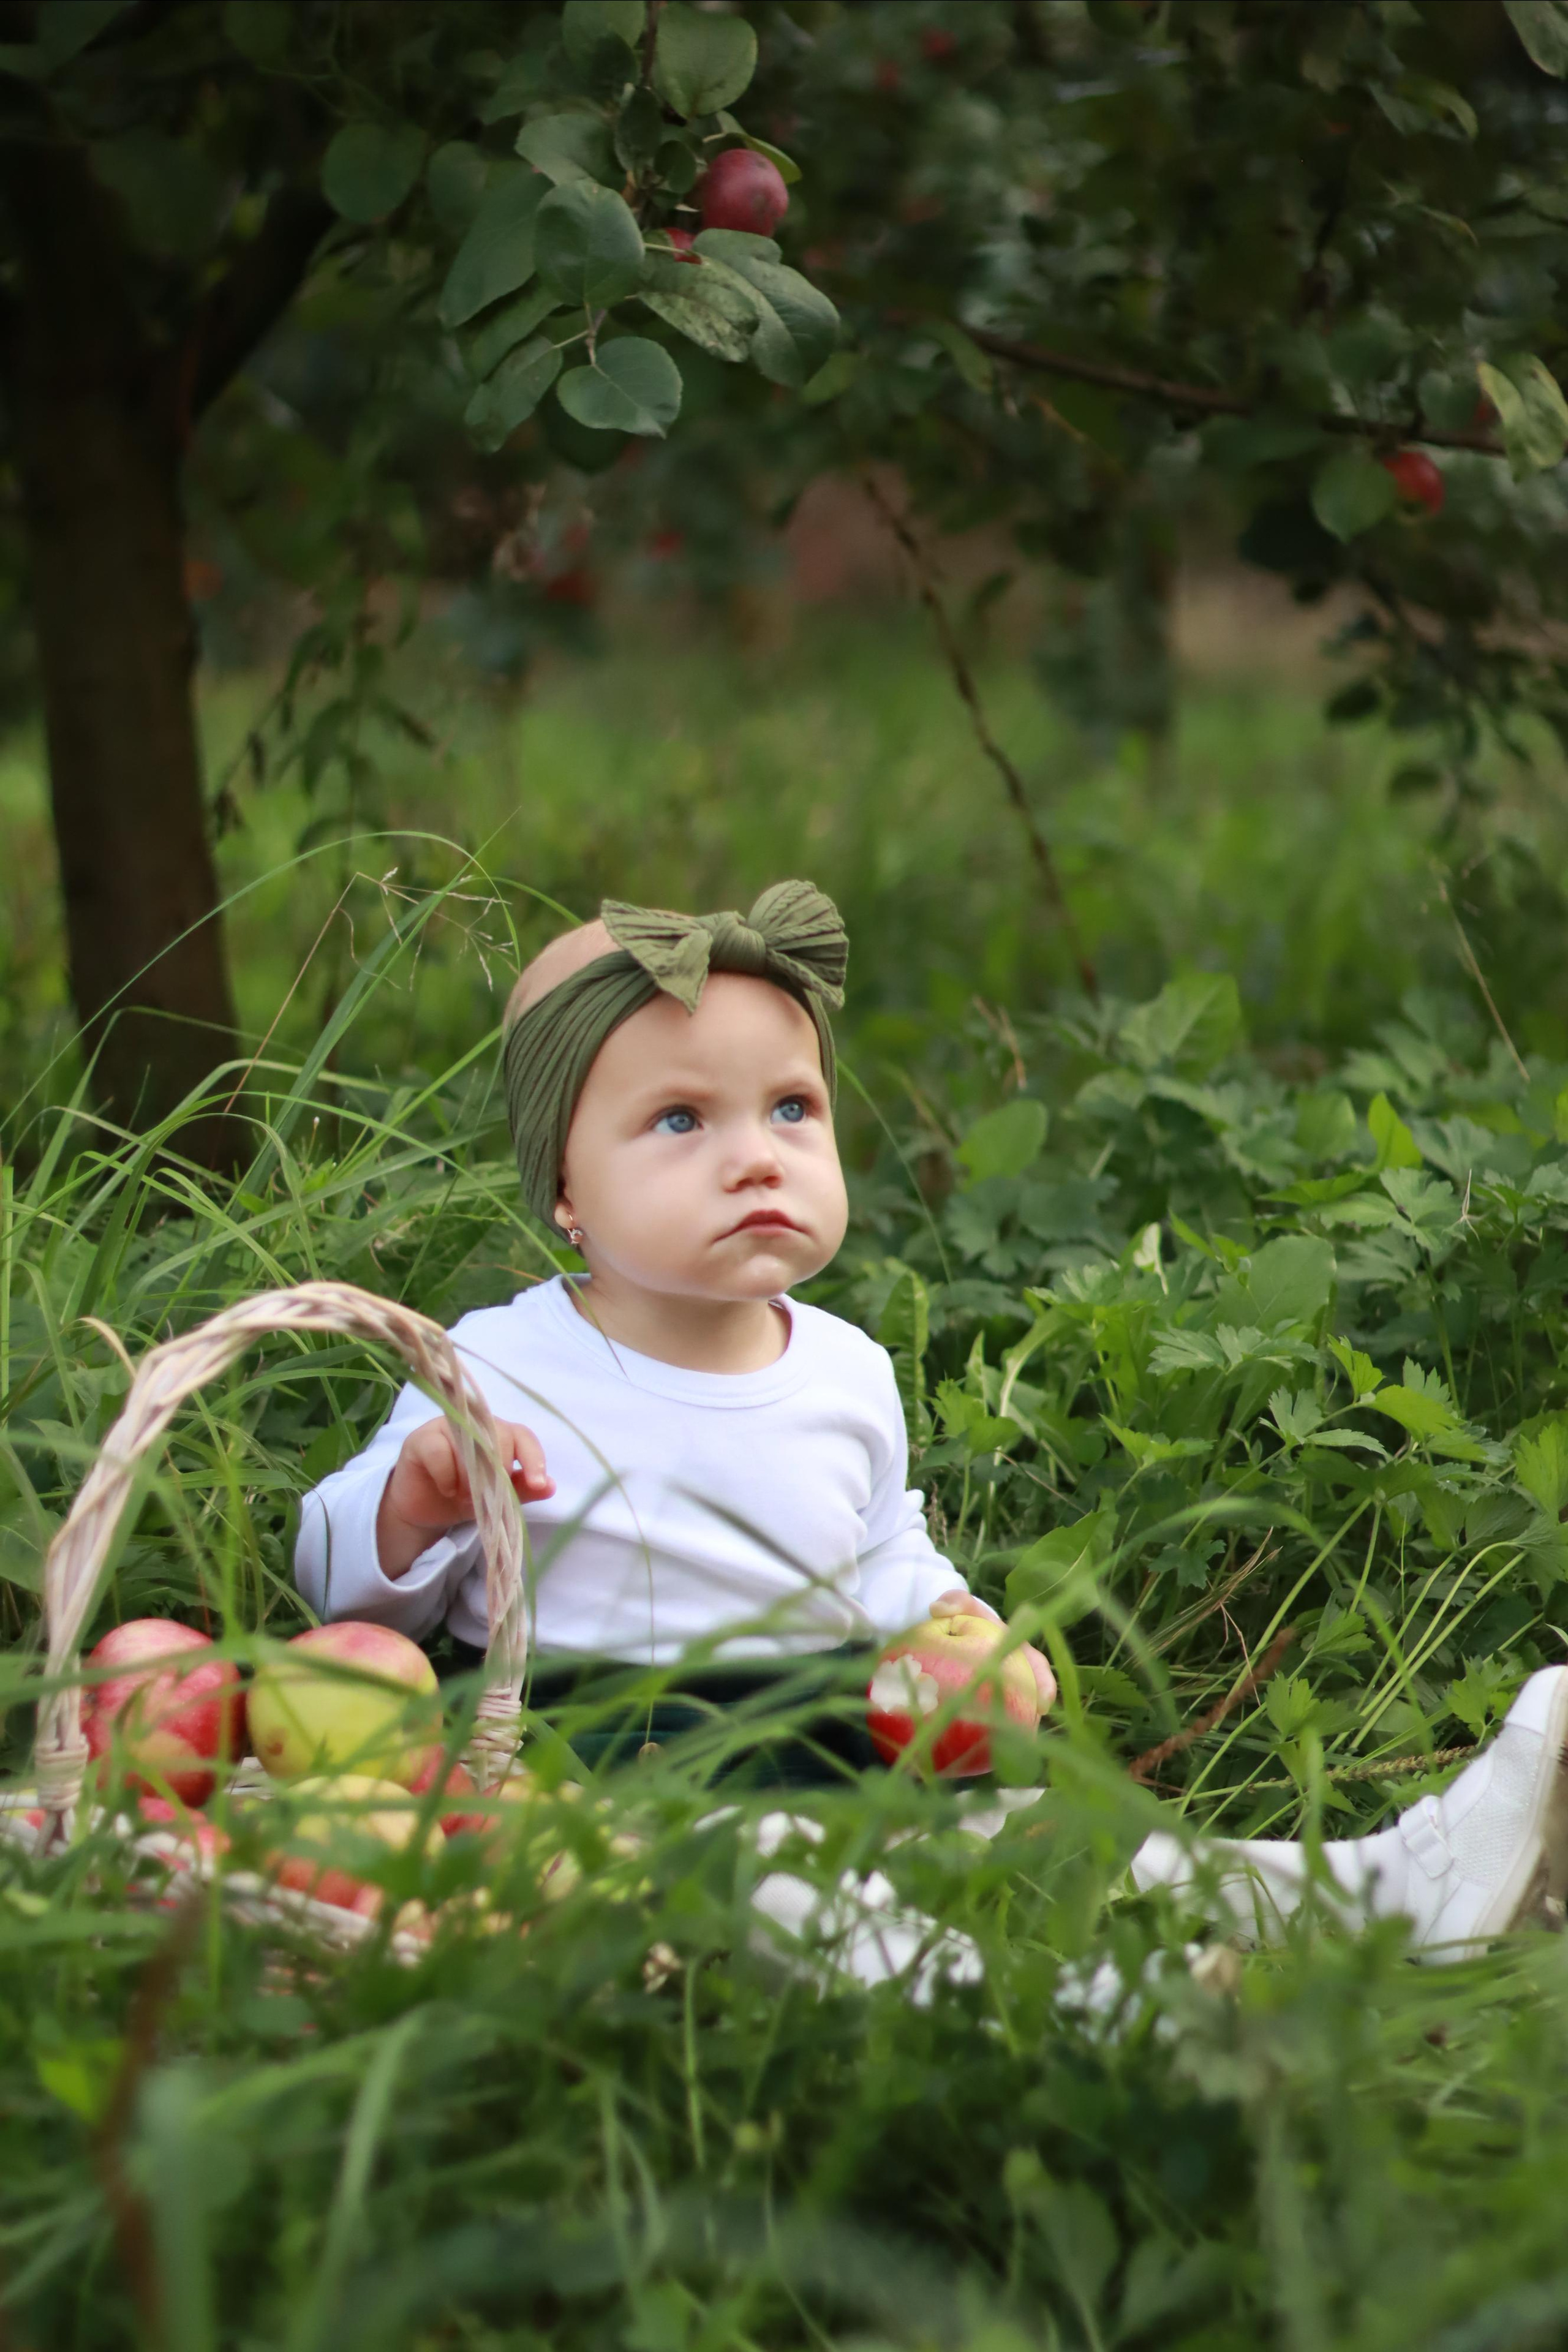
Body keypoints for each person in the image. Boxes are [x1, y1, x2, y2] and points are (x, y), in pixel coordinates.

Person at [295, 880, 1568, 1985]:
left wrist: (954, 1627)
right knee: (786, 1893)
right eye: (681, 1122)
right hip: (586, 1782)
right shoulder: (489, 1366)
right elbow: (345, 1596)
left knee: (1052, 1838)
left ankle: (1386, 1889)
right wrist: (413, 1505)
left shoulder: (841, 1369)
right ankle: (1087, 2010)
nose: (755, 1158)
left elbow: (877, 1553)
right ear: (564, 1190)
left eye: (790, 1109)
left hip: (829, 1740)